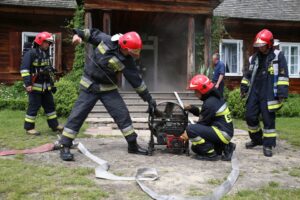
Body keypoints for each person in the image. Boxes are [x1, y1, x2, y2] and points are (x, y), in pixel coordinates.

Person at [57, 28, 157, 161]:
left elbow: (137, 82)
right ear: (124, 46)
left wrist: (149, 99)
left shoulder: (128, 61)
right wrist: (77, 35)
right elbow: (89, 34)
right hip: (90, 86)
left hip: (108, 89)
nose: (135, 54)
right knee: (77, 115)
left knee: (122, 114)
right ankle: (65, 145)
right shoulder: (106, 40)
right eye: (133, 51)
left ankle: (133, 145)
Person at [240, 29, 289, 157]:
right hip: (254, 91)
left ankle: (268, 145)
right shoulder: (254, 58)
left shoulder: (278, 56)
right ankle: (257, 139)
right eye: (258, 45)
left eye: (262, 45)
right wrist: (243, 88)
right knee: (250, 116)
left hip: (269, 92)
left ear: (269, 44)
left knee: (268, 120)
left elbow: (283, 75)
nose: (260, 48)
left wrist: (282, 93)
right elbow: (248, 75)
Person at [183, 74, 235, 161]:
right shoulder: (213, 98)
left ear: (202, 90)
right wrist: (191, 108)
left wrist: (186, 134)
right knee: (195, 148)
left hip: (222, 133)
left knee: (191, 129)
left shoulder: (209, 103)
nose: (195, 94)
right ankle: (225, 147)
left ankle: (211, 155)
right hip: (223, 132)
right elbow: (205, 114)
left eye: (196, 91)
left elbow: (201, 123)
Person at [20, 32, 63, 136]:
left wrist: (52, 84)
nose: (48, 45)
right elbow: (24, 70)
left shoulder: (45, 53)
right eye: (47, 42)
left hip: (46, 87)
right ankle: (29, 128)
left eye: (49, 43)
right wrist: (28, 84)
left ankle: (54, 125)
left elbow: (47, 70)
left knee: (50, 107)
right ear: (40, 42)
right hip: (34, 87)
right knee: (34, 106)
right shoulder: (30, 53)